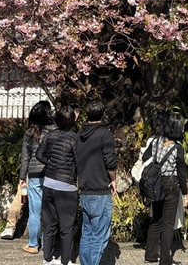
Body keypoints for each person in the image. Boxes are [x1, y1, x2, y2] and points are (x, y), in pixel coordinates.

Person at [144, 111, 188, 265]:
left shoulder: (155, 141)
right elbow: (181, 173)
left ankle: (150, 255)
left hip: (156, 183)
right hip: (171, 185)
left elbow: (145, 157)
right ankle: (165, 260)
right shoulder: (178, 148)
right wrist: (185, 193)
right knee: (168, 224)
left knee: (156, 219)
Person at [36, 105, 79, 265]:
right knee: (66, 227)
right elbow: (79, 161)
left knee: (49, 225)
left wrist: (50, 163)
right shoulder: (75, 138)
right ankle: (66, 261)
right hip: (67, 186)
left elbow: (39, 154)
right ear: (72, 120)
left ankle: (47, 259)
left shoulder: (50, 135)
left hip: (49, 183)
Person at [77, 99, 117, 265]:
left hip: (85, 190)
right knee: (99, 236)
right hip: (100, 190)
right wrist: (113, 179)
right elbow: (110, 161)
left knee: (87, 234)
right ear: (103, 114)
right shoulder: (104, 133)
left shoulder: (80, 134)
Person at [15, 100, 55, 254]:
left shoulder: (30, 133)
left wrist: (22, 177)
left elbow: (25, 157)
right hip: (52, 174)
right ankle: (47, 244)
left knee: (34, 212)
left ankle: (33, 244)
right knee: (49, 211)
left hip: (35, 175)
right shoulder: (55, 131)